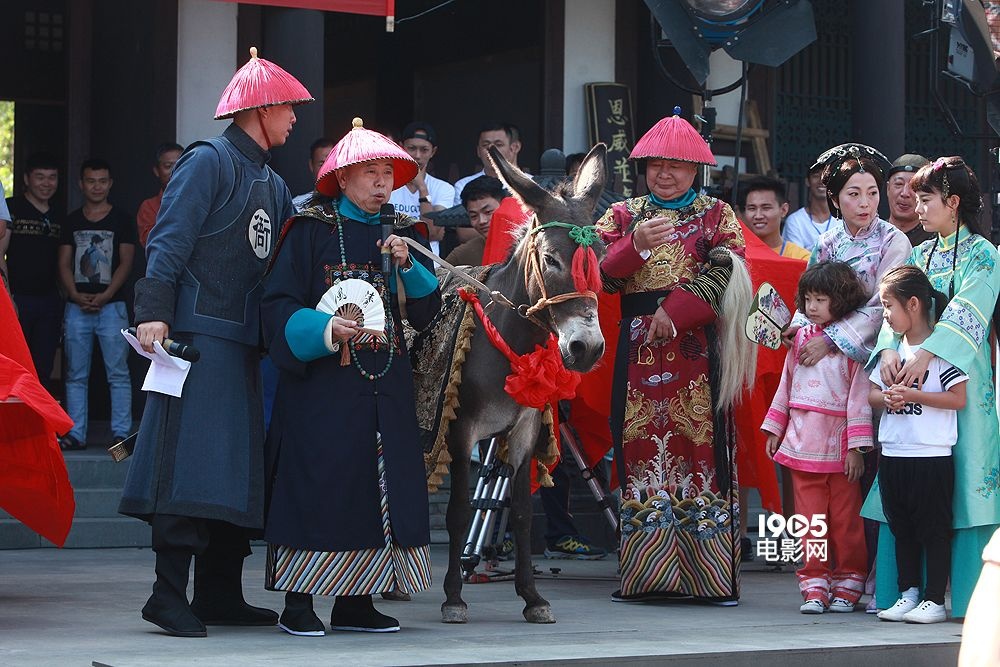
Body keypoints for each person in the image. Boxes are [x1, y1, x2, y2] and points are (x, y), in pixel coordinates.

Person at [118, 47, 313, 638]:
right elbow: (168, 240)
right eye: (290, 109)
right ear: (264, 106)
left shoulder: (275, 184)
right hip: (196, 338)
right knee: (189, 466)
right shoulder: (209, 161)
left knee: (236, 471)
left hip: (245, 347)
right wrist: (155, 314)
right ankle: (166, 595)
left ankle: (221, 593)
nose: (296, 119)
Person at [261, 118, 440, 636]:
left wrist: (408, 265)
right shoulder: (310, 231)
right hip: (323, 387)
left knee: (375, 483)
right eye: (370, 172)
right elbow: (277, 306)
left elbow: (430, 309)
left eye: (388, 172)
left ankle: (356, 602)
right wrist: (325, 327)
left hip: (385, 382)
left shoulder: (405, 234)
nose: (383, 182)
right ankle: (298, 601)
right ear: (342, 178)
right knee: (318, 481)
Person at [597, 110, 755, 604]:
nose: (665, 174)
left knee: (700, 447)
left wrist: (677, 311)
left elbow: (730, 265)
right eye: (656, 165)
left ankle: (708, 579)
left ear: (696, 170)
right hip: (639, 345)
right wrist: (634, 246)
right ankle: (646, 575)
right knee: (640, 448)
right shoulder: (623, 215)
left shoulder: (716, 214)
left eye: (677, 166)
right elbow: (602, 274)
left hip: (695, 350)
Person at [864, 156, 1000, 620]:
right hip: (908, 371)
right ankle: (908, 590)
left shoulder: (985, 253)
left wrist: (927, 354)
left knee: (964, 479)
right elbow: (891, 312)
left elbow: (971, 309)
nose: (914, 206)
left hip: (963, 380)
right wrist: (887, 349)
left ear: (954, 202)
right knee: (908, 483)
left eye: (925, 198)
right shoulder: (918, 255)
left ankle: (963, 596)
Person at [762, 261, 872, 613]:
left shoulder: (852, 346)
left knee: (846, 521)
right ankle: (813, 585)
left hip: (839, 446)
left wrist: (857, 447)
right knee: (808, 522)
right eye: (808, 299)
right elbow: (785, 385)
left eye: (820, 299)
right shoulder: (800, 340)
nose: (811, 307)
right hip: (801, 442)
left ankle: (849, 582)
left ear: (839, 301)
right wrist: (775, 428)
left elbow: (859, 397)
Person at [869, 265, 967, 624]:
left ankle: (934, 599)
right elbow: (871, 395)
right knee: (902, 527)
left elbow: (958, 399)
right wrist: (888, 398)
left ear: (913, 304)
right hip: (894, 452)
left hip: (931, 455)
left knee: (933, 529)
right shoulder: (891, 350)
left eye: (888, 307)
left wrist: (915, 395)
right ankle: (908, 592)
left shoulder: (939, 349)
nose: (885, 316)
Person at [57, 158, 135, 451]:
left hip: (112, 307)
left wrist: (106, 295)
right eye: (91, 181)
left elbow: (126, 262)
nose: (97, 186)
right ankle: (75, 434)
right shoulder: (71, 220)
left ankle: (121, 435)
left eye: (102, 180)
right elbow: (63, 262)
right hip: (77, 307)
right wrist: (75, 295)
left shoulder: (122, 219)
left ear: (110, 183)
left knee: (118, 373)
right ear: (81, 184)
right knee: (76, 374)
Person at [2, 153, 63, 389]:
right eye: (40, 177)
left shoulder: (59, 214)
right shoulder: (11, 208)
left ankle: (44, 423)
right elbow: (0, 253)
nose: (46, 183)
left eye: (52, 178)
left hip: (50, 300)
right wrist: (9, 297)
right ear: (27, 179)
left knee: (44, 365)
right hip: (19, 298)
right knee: (18, 363)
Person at [389, 121, 455, 254]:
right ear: (401, 148)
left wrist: (422, 188)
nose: (417, 155)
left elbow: (432, 233)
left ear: (433, 152)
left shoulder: (444, 188)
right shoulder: (387, 184)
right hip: (393, 260)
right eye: (412, 148)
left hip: (430, 265)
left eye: (424, 150)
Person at [452, 121, 522, 205]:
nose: (491, 150)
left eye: (498, 144)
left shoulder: (532, 184)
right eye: (485, 145)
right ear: (478, 151)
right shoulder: (463, 185)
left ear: (514, 148)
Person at [741, 176, 811, 260]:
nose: (758, 216)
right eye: (752, 208)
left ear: (784, 210)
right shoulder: (738, 255)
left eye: (766, 208)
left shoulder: (802, 258)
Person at [444, 175, 504, 266]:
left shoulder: (526, 245)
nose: (482, 221)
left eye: (488, 212)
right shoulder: (462, 255)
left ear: (504, 206)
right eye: (473, 216)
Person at [137, 143, 184, 247]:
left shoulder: (200, 200)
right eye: (168, 166)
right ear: (157, 171)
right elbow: (151, 242)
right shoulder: (149, 206)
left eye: (180, 165)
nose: (174, 171)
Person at [783, 163, 836, 252]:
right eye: (816, 176)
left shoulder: (844, 220)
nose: (821, 180)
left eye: (826, 176)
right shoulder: (795, 221)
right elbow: (796, 260)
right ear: (807, 181)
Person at [885, 154, 933, 248]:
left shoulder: (933, 241)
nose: (905, 193)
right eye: (898, 184)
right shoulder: (872, 234)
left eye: (913, 187)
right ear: (888, 188)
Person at [291, 137, 335, 210]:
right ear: (311, 165)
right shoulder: (298, 205)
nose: (327, 170)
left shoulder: (349, 204)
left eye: (331, 164)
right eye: (322, 164)